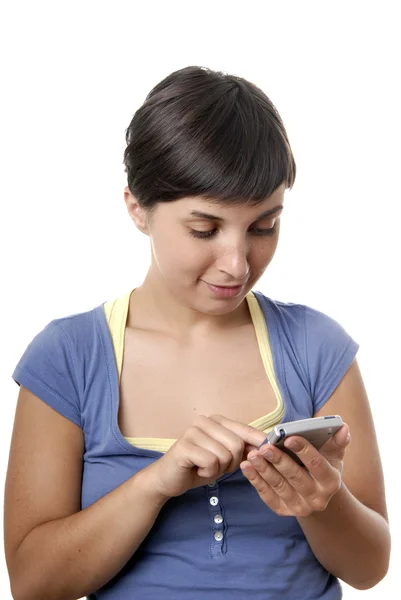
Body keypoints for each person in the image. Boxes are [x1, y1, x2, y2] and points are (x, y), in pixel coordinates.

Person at [4, 66, 390, 600]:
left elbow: (370, 567)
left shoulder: (316, 347)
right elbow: (31, 583)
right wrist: (155, 484)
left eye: (264, 226)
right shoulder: (67, 359)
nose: (237, 263)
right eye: (204, 229)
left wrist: (322, 501)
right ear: (138, 208)